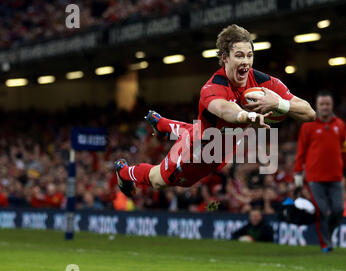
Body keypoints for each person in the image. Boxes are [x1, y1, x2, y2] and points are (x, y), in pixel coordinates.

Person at [113, 24, 315, 196]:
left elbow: (309, 113)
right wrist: (248, 115)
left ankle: (163, 124)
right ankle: (124, 172)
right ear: (225, 58)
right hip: (197, 153)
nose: (246, 61)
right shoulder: (212, 88)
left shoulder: (263, 83)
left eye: (249, 55)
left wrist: (280, 104)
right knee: (159, 180)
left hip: (223, 145)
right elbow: (225, 109)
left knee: (211, 139)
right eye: (239, 55)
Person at [294, 90, 346, 252]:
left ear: (332, 105)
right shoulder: (308, 126)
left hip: (336, 176)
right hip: (315, 177)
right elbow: (301, 151)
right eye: (322, 104)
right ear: (317, 106)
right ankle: (326, 243)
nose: (325, 107)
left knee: (338, 210)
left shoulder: (340, 125)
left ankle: (328, 234)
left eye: (327, 104)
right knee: (321, 211)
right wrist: (298, 173)